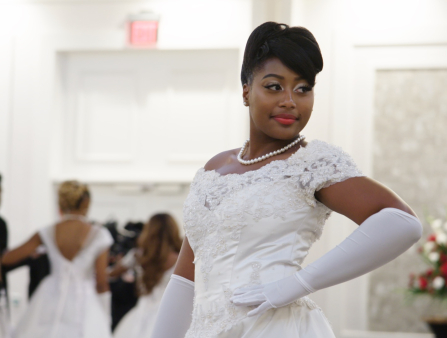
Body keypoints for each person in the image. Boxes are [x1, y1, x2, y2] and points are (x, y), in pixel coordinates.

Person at [150, 22, 423, 338]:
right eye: (274, 86)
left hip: (278, 327)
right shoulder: (215, 168)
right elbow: (186, 278)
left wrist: (297, 283)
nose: (290, 101)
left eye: (303, 88)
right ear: (246, 91)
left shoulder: (312, 163)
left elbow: (403, 223)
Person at [1, 180, 113, 338]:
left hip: (49, 296)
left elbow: (8, 258)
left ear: (61, 202)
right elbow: (101, 283)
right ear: (86, 203)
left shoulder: (47, 232)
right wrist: (105, 316)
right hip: (84, 301)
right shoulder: (99, 235)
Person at [110, 213, 182, 338]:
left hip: (141, 314)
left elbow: (111, 274)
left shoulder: (138, 256)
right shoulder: (180, 260)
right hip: (169, 315)